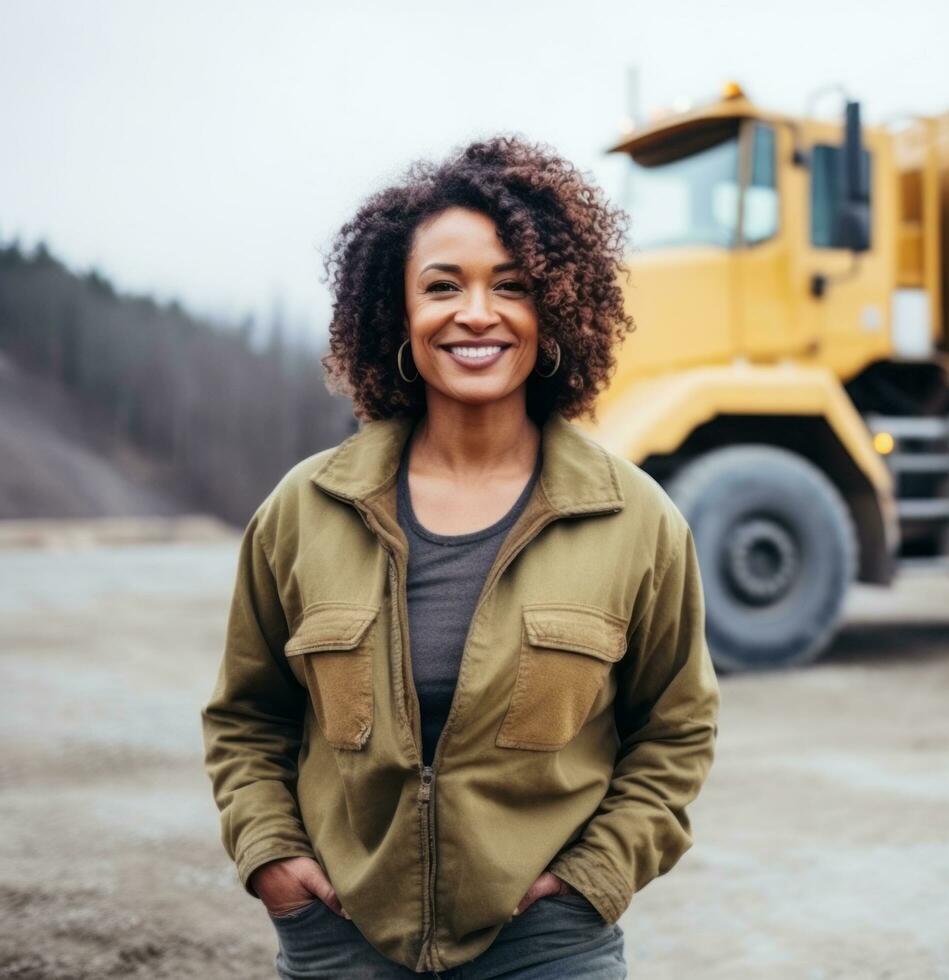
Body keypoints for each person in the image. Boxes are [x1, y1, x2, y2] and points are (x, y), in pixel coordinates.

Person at [201, 136, 721, 979]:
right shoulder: (303, 509)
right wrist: (271, 859)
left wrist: (596, 875)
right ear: (396, 313)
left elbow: (676, 728)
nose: (476, 313)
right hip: (342, 938)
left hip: (547, 946)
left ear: (554, 308)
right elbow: (247, 716)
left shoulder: (635, 519)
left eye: (510, 286)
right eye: (442, 285)